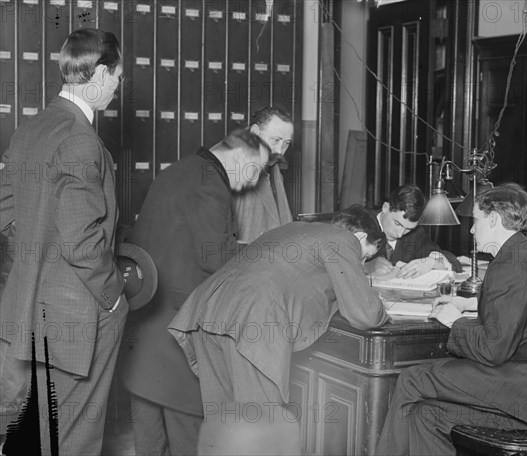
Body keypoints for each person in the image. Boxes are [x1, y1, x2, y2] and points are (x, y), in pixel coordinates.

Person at [375, 183, 527, 456]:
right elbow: (522, 309)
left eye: (476, 221)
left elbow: (492, 349)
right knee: (425, 416)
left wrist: (455, 321)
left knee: (412, 378)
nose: (473, 230)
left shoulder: (509, 264)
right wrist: (468, 303)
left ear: (493, 219)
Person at [0, 28, 126, 455]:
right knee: (74, 439)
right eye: (118, 77)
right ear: (102, 73)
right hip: (78, 317)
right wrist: (113, 297)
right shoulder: (80, 139)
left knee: (35, 435)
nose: (117, 87)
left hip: (29, 311)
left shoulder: (33, 126)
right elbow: (82, 243)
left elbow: (6, 212)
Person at [117, 129, 271, 456]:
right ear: (240, 156)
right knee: (188, 439)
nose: (252, 182)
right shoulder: (211, 186)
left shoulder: (180, 169)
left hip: (145, 330)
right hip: (177, 337)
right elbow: (216, 259)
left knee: (149, 440)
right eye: (255, 170)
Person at [168, 205, 388, 412]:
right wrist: (382, 305)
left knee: (222, 423)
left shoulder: (291, 228)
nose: (360, 263)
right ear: (358, 237)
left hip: (209, 311)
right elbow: (365, 315)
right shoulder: (343, 239)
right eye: (365, 256)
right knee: (260, 427)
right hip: (252, 324)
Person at [365, 184, 462, 278]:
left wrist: (433, 262)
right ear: (385, 207)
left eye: (408, 229)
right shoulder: (359, 224)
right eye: (397, 224)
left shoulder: (416, 234)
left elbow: (454, 262)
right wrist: (366, 266)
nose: (400, 234)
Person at [232, 106, 295, 243]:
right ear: (254, 132)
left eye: (286, 144)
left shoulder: (273, 167)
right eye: (275, 140)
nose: (279, 151)